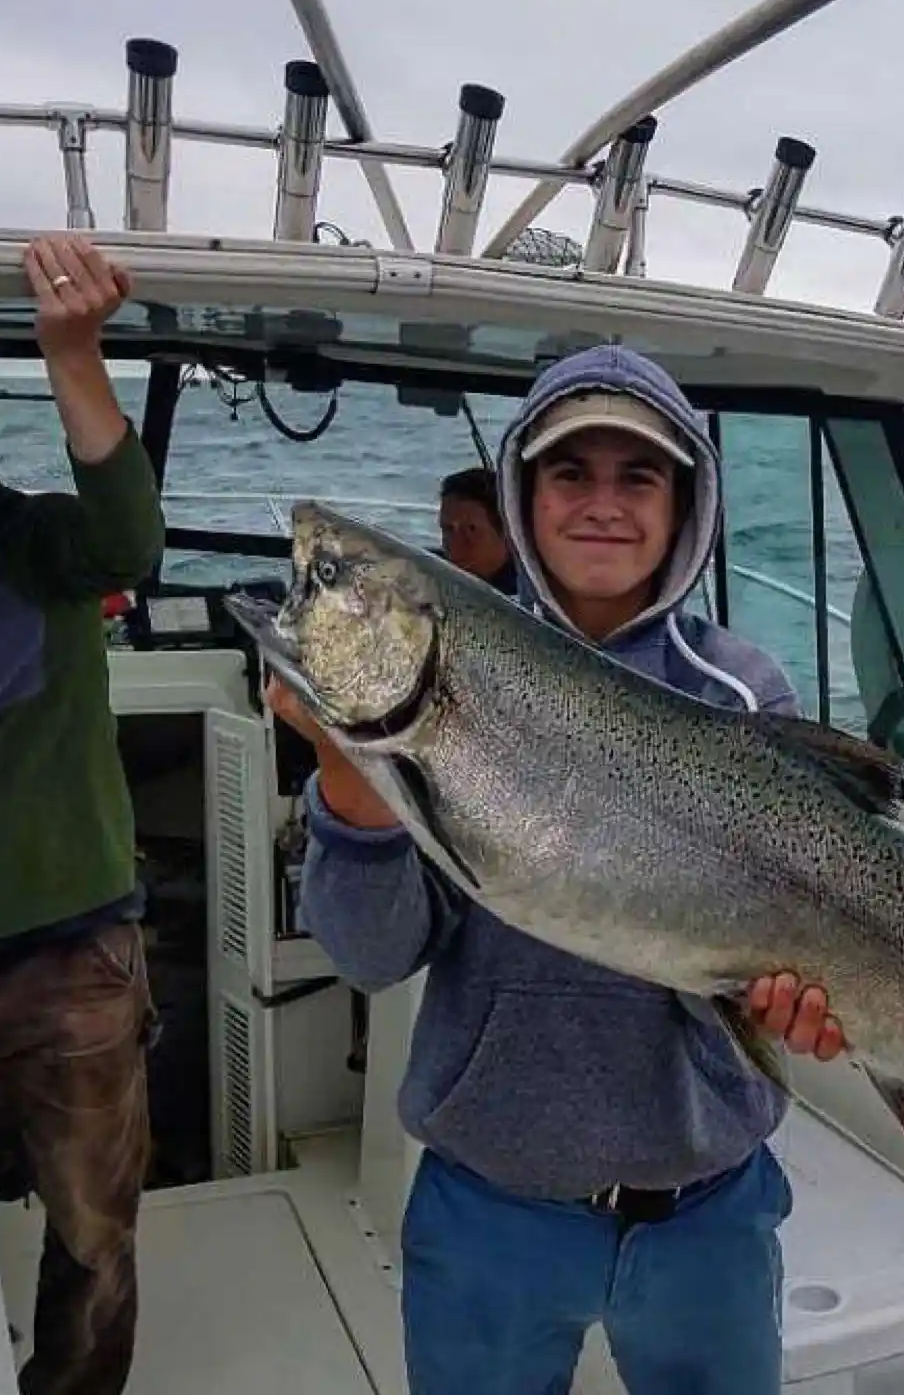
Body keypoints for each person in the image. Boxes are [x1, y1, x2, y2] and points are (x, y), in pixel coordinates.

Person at [266, 343, 846, 1395]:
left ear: (686, 503)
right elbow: (370, 953)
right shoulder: (451, 679)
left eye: (640, 476)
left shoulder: (742, 693)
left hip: (706, 1205)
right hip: (490, 1203)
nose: (603, 505)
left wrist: (787, 1007)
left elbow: (775, 957)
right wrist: (350, 792)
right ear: (526, 496)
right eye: (571, 474)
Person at [0, 234, 165, 1395]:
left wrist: (74, 353)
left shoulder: (38, 541)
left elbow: (129, 540)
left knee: (95, 1238)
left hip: (72, 959)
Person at [437, 463, 515, 592]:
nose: (455, 544)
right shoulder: (430, 573)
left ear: (506, 533)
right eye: (448, 529)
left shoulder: (527, 599)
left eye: (471, 529)